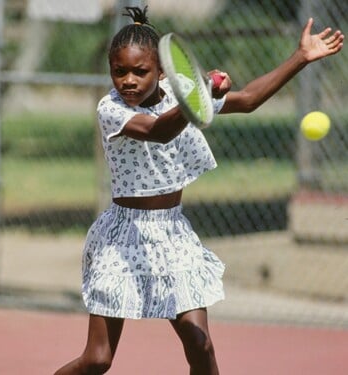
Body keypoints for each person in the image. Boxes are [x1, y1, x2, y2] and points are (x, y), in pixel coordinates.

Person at [54, 6, 344, 375]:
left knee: (201, 345)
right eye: (118, 71)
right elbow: (157, 131)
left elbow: (250, 99)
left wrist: (301, 57)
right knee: (98, 359)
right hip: (121, 238)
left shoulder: (183, 95)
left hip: (173, 234)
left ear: (162, 72)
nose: (127, 80)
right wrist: (199, 96)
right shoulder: (110, 108)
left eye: (140, 71)